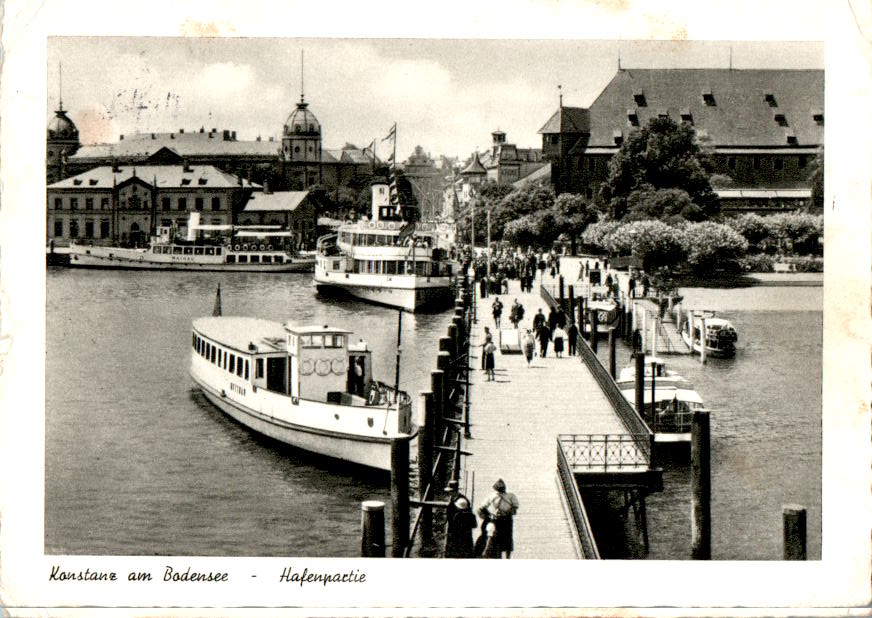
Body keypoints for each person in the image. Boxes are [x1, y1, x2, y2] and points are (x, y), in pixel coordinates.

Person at [477, 479, 519, 559]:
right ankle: (497, 556)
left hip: (507, 519)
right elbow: (482, 507)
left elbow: (515, 507)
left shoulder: (511, 496)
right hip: (497, 519)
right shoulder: (493, 496)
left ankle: (507, 557)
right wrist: (489, 515)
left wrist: (509, 512)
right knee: (496, 538)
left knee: (508, 539)